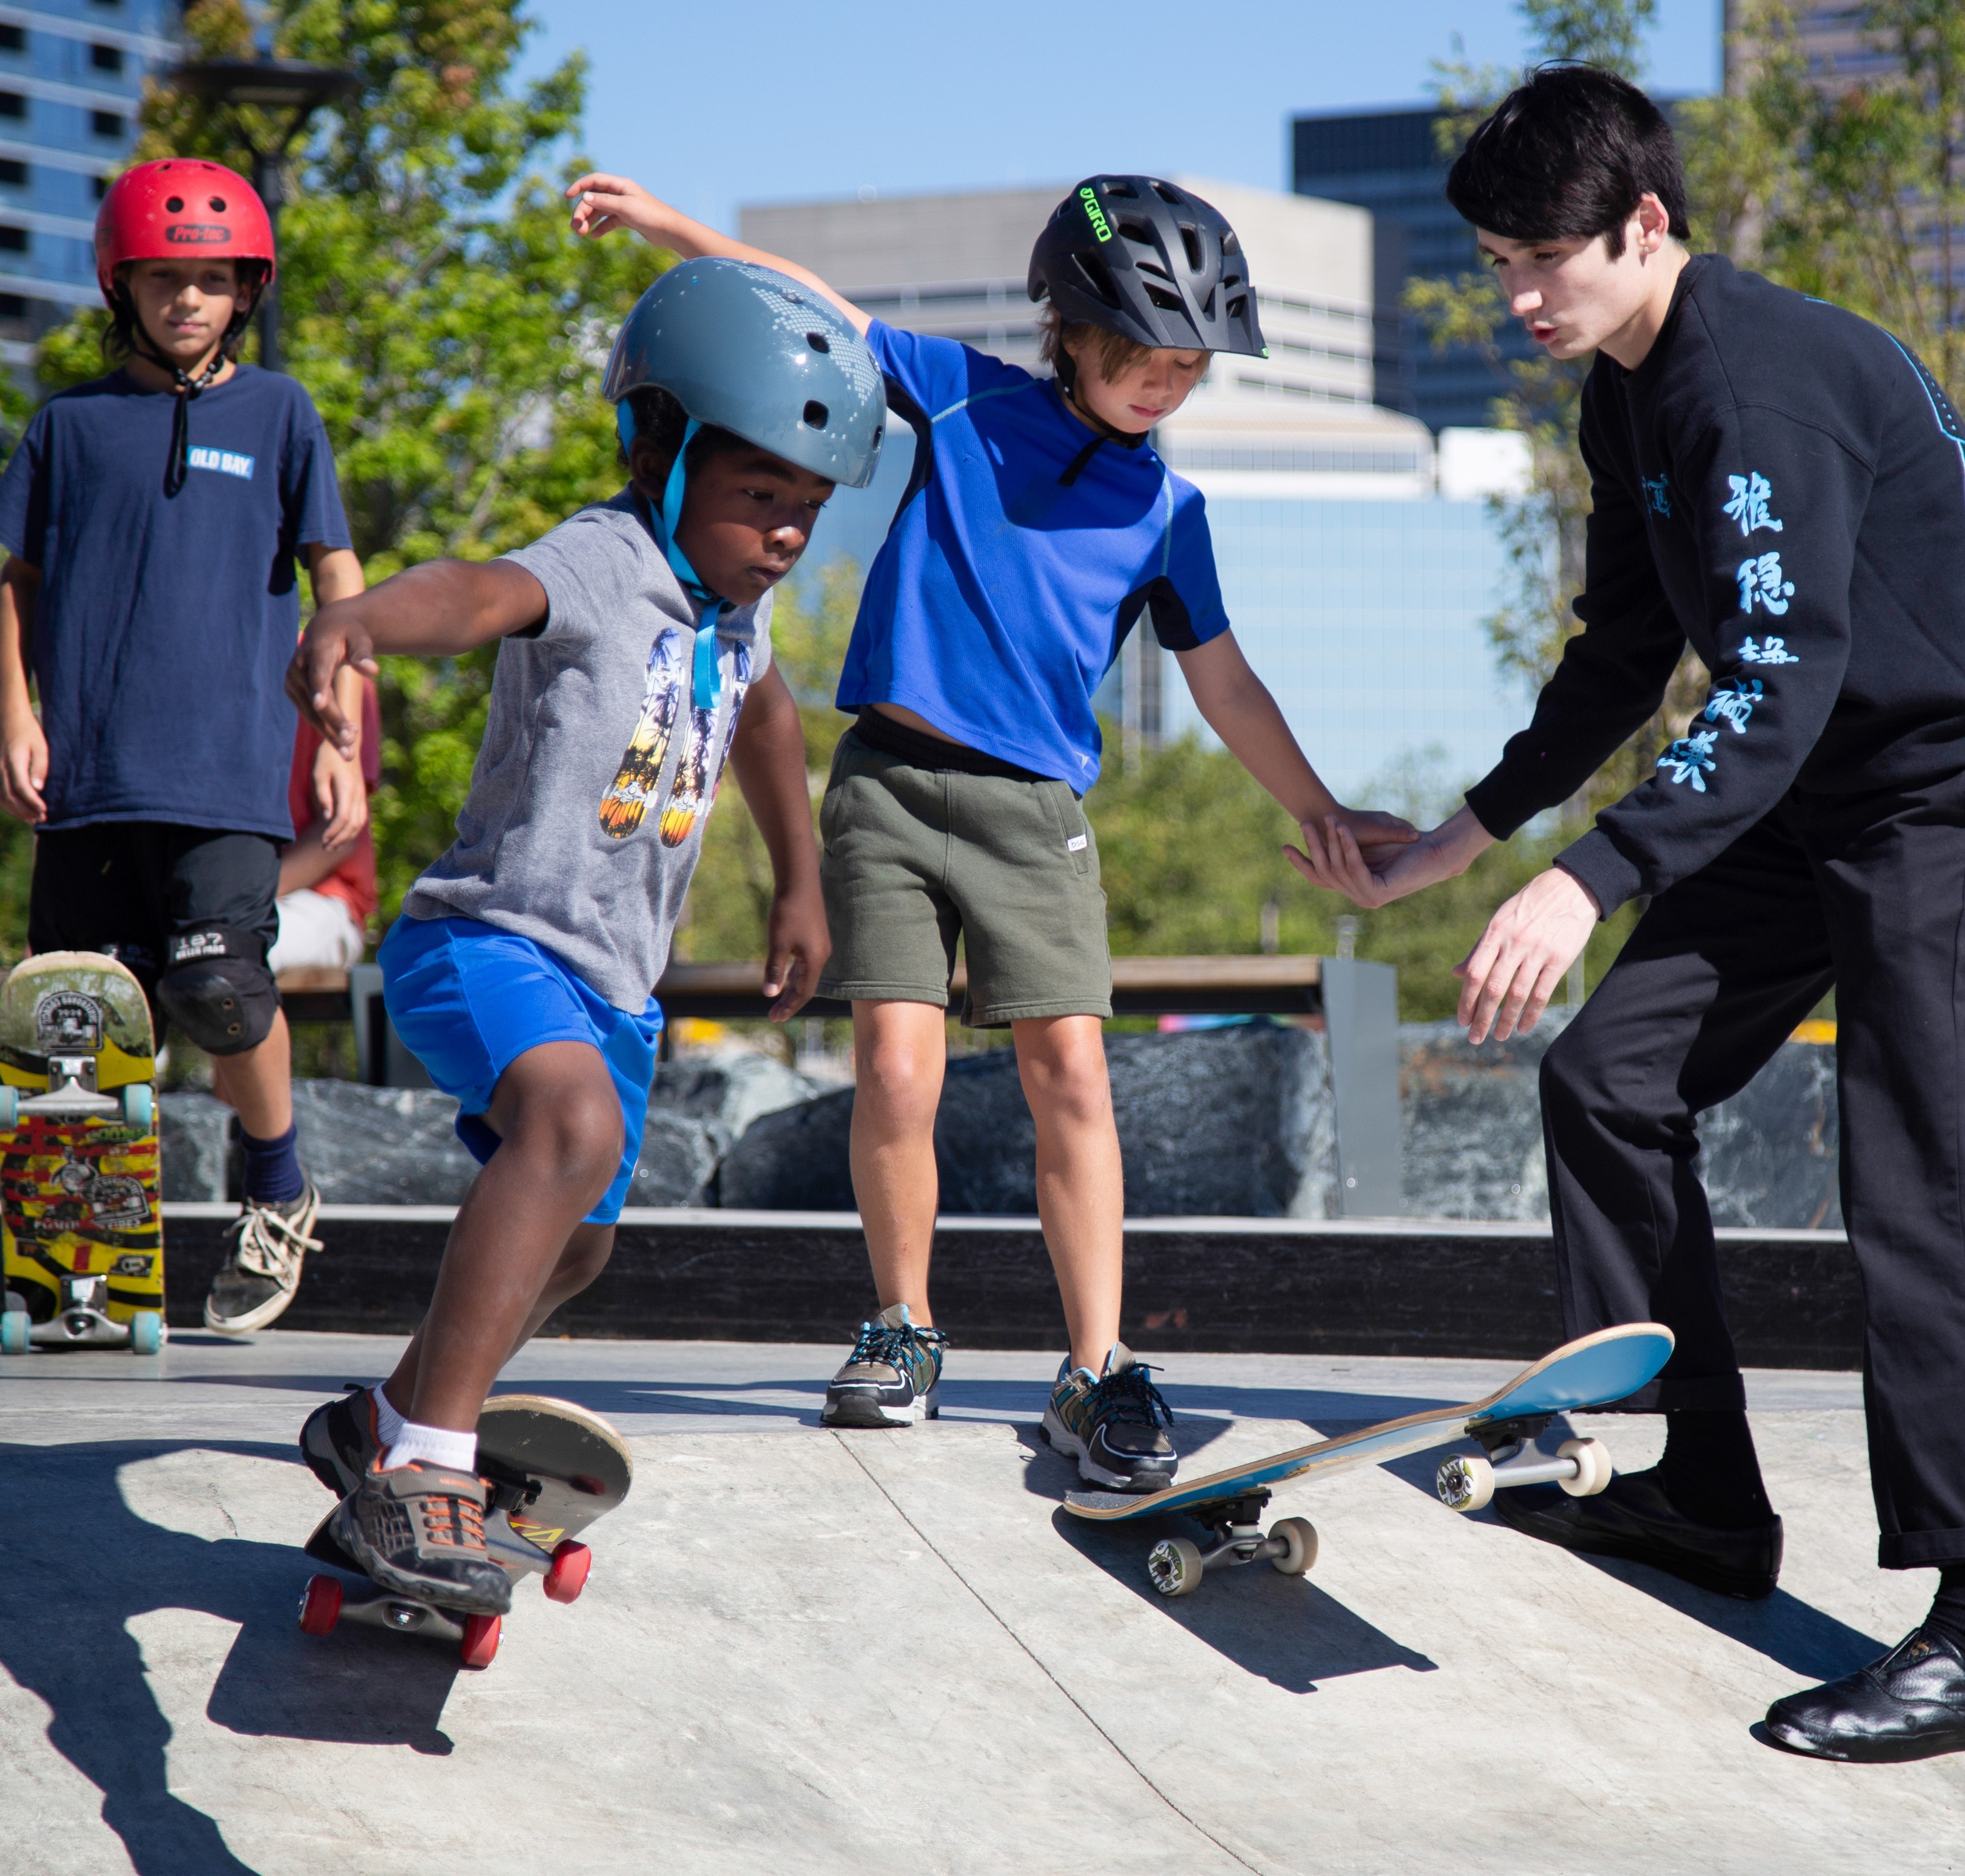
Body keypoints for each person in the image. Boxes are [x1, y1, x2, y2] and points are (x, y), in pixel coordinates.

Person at [1296, 66, 1965, 1762]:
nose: (1513, 298)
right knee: (1608, 1081)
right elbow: (1624, 653)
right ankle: (1703, 1496)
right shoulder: (1623, 392)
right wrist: (1467, 834)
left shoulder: (1753, 392)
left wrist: (1589, 876)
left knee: (1915, 1179)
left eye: (1538, 263)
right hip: (1808, 786)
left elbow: (1783, 672)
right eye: (1494, 259)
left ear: (1644, 228)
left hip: (1941, 786)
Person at [567, 171, 1413, 1490]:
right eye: (1137, 352)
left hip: (1035, 815)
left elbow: (1226, 683)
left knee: (1072, 1076)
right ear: (1067, 326)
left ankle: (1096, 1365)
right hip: (889, 787)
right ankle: (901, 1332)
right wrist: (670, 225)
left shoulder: (1170, 517)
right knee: (896, 1076)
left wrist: (1318, 809)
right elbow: (812, 306)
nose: (1161, 384)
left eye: (1188, 365)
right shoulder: (959, 395)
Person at [285, 257, 867, 1615]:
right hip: (488, 940)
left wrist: (800, 880)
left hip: (619, 988)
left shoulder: (744, 612)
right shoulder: (608, 557)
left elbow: (771, 722)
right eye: (758, 496)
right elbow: (481, 591)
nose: (783, 534)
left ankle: (388, 1415)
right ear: (663, 453)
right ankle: (428, 1461)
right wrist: (363, 617)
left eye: (806, 511)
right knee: (574, 1131)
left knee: (584, 1245)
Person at [0, 157, 365, 1338]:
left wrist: (343, 726)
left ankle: (276, 1182)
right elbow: (21, 578)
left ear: (243, 289)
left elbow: (337, 577)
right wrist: (15, 711)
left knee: (217, 986)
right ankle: (85, 1265)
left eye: (210, 281)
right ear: (124, 286)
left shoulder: (282, 413)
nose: (188, 301)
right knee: (85, 1022)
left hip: (228, 772)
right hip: (91, 776)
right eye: (165, 280)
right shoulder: (70, 426)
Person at [266, 688, 383, 974]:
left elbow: (339, 834)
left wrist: (237, 900)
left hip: (321, 900)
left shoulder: (333, 665)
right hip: (226, 899)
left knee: (230, 953)